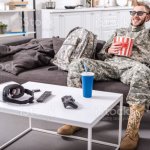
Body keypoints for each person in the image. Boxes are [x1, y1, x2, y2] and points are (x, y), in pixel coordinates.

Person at [57, 2, 150, 150]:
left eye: (140, 13)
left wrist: (138, 54)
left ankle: (132, 133)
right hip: (111, 65)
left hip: (132, 68)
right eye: (133, 13)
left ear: (148, 17)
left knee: (142, 71)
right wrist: (109, 50)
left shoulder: (148, 35)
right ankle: (75, 120)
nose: (135, 16)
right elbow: (101, 55)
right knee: (77, 64)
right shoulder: (119, 31)